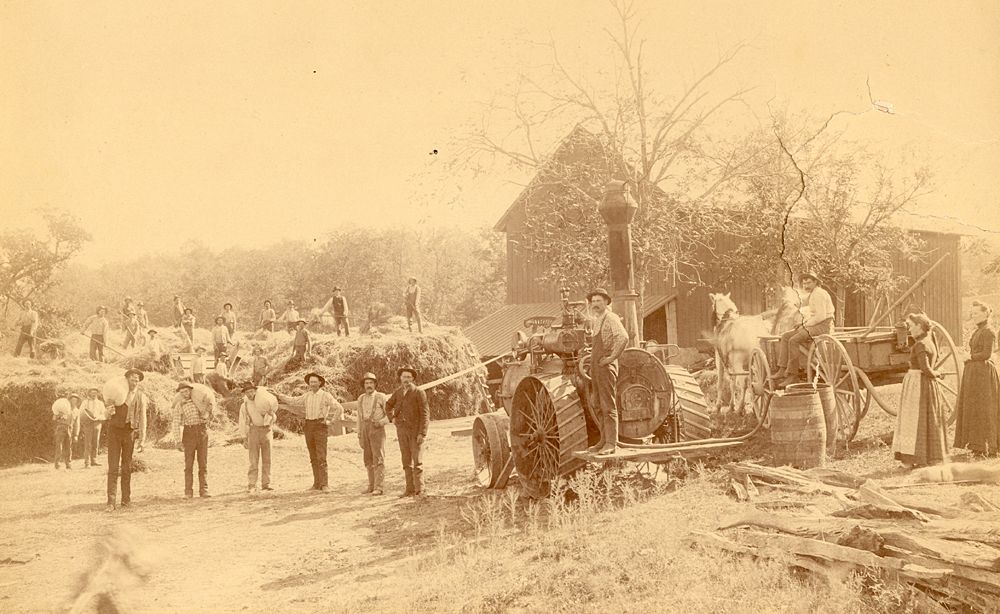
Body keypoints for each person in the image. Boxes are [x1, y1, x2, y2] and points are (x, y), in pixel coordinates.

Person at [893, 313, 949, 467]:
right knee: (927, 420)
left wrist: (937, 374)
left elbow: (926, 369)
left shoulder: (920, 345)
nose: (909, 330)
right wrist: (936, 374)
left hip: (917, 384)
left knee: (913, 420)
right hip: (927, 385)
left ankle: (911, 460)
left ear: (919, 326)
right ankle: (929, 456)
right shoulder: (929, 342)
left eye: (911, 326)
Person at [275, 373, 343, 492]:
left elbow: (339, 408)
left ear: (320, 383)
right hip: (309, 426)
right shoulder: (307, 396)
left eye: (315, 382)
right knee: (313, 456)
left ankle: (324, 484)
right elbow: (293, 401)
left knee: (321, 456)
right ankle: (316, 484)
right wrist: (278, 395)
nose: (312, 384)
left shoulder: (326, 395)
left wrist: (331, 422)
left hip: (320, 426)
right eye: (311, 382)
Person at [585, 288, 629, 456]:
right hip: (597, 368)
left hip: (606, 367)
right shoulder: (598, 320)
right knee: (596, 403)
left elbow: (623, 337)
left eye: (599, 301)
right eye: (593, 301)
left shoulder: (611, 318)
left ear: (606, 302)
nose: (595, 304)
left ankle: (611, 443)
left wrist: (611, 358)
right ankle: (603, 439)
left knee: (607, 405)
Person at [954, 301, 1000, 456]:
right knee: (974, 408)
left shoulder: (989, 331)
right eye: (972, 313)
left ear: (986, 314)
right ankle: (977, 446)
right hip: (974, 374)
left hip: (984, 375)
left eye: (977, 313)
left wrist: (970, 357)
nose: (974, 316)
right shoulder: (978, 331)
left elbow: (987, 354)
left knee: (984, 409)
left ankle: (987, 446)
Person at [775, 272, 836, 387]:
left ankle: (793, 375)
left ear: (815, 282)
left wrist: (805, 326)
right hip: (816, 325)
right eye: (804, 284)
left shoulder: (819, 294)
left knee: (793, 340)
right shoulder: (813, 293)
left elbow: (820, 316)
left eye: (808, 283)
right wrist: (803, 323)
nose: (806, 286)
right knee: (786, 336)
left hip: (823, 327)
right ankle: (782, 368)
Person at [106, 368, 147, 511]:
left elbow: (143, 418)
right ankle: (111, 502)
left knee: (126, 467)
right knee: (112, 467)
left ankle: (126, 500)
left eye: (137, 380)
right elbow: (107, 415)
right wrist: (109, 410)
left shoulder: (141, 396)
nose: (134, 382)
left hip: (129, 433)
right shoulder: (116, 393)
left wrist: (142, 439)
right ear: (127, 380)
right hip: (114, 432)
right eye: (132, 379)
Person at [386, 367, 429, 497]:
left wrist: (422, 433)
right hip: (402, 431)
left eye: (409, 377)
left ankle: (419, 490)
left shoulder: (419, 393)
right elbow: (388, 405)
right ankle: (409, 489)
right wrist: (392, 418)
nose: (406, 380)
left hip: (415, 432)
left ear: (413, 379)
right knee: (406, 461)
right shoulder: (398, 392)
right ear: (400, 378)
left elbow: (425, 414)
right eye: (404, 377)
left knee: (417, 461)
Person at [172, 381, 215, 498]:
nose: (185, 394)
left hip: (202, 432)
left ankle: (204, 490)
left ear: (190, 390)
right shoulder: (179, 405)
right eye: (182, 392)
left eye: (186, 391)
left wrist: (207, 413)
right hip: (189, 433)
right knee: (189, 464)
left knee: (203, 463)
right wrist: (178, 441)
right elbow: (176, 422)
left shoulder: (200, 401)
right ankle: (188, 491)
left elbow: (210, 412)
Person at [238, 381, 277, 493]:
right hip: (253, 431)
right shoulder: (244, 405)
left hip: (267, 430)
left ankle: (266, 483)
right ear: (245, 394)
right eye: (247, 392)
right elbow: (242, 421)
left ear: (255, 391)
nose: (250, 394)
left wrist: (271, 414)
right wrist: (244, 437)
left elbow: (274, 418)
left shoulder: (265, 402)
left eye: (251, 391)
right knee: (253, 459)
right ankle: (252, 484)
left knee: (267, 458)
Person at [357, 372, 389, 495]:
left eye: (371, 383)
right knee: (367, 458)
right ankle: (371, 486)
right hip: (365, 429)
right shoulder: (361, 398)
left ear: (375, 384)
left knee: (378, 457)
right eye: (366, 383)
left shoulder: (381, 397)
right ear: (363, 385)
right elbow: (359, 418)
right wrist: (359, 433)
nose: (369, 385)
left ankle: (379, 487)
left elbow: (390, 415)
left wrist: (381, 422)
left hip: (377, 429)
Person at [52, 394, 80, 470]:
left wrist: (76, 435)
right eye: (72, 400)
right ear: (69, 400)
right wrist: (59, 415)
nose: (74, 402)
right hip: (61, 428)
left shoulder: (77, 411)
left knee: (68, 447)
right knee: (59, 446)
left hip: (70, 429)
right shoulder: (63, 407)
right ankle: (57, 464)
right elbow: (54, 418)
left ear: (77, 401)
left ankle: (68, 464)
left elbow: (77, 424)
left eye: (75, 400)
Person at [80, 387, 106, 468]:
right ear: (89, 393)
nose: (94, 394)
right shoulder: (85, 402)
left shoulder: (100, 403)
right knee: (88, 443)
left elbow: (104, 414)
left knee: (96, 442)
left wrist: (98, 417)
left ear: (97, 394)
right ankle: (87, 462)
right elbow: (81, 412)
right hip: (88, 424)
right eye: (92, 393)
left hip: (97, 424)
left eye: (95, 393)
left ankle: (94, 460)